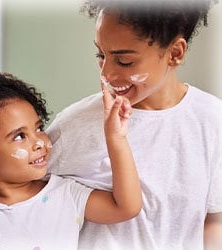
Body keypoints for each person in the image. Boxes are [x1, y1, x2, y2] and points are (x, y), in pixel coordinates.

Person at [46, 0, 222, 249]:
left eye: (124, 62)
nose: (106, 74)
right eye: (101, 55)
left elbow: (213, 218)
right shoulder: (73, 126)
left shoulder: (212, 119)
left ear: (175, 53)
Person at [0, 72, 142, 250]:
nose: (39, 143)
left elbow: (126, 207)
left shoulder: (65, 194)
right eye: (20, 136)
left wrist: (116, 138)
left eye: (38, 128)